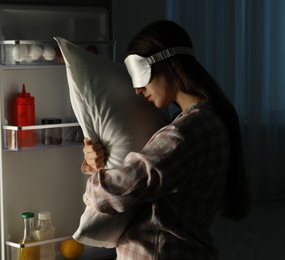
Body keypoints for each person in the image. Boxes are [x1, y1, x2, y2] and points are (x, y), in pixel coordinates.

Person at [81, 20, 250, 259]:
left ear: (168, 63)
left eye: (141, 78)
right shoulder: (203, 120)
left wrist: (93, 184)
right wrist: (98, 162)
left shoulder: (187, 132)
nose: (138, 90)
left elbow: (115, 192)